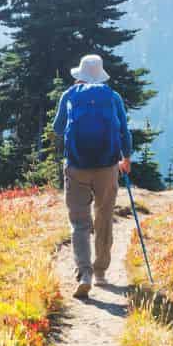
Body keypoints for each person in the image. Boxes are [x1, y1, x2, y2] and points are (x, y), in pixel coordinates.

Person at [52, 54, 132, 299]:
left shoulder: (70, 95)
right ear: (101, 74)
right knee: (104, 217)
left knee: (79, 223)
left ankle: (83, 273)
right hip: (108, 167)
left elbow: (57, 128)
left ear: (80, 74)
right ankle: (100, 272)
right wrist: (125, 158)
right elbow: (123, 130)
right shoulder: (113, 96)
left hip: (76, 166)